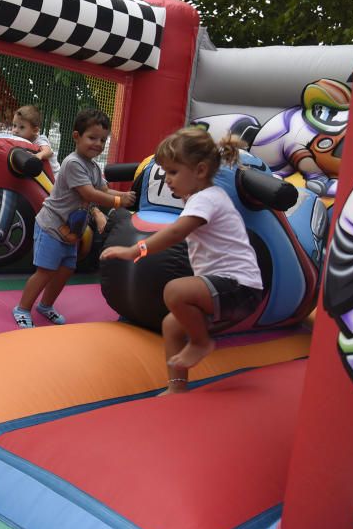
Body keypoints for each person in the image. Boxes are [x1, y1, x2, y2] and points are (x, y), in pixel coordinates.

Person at [100, 127, 264, 394]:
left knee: (175, 290)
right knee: (170, 325)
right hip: (230, 290)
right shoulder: (203, 199)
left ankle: (200, 342)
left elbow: (176, 232)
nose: (167, 180)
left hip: (239, 287)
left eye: (173, 172)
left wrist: (135, 251)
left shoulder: (206, 199)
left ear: (199, 171)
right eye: (164, 172)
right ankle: (177, 385)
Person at [13, 109, 135, 328]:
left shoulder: (94, 167)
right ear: (77, 136)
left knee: (66, 269)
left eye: (102, 140)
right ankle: (22, 308)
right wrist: (118, 202)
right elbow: (88, 194)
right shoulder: (73, 163)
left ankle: (46, 305)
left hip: (71, 231)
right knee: (46, 270)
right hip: (51, 225)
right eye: (92, 137)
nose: (98, 144)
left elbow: (105, 190)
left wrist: (125, 197)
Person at [12, 105, 60, 173]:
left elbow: (49, 152)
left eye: (22, 127)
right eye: (14, 125)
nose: (15, 130)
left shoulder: (40, 140)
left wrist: (39, 155)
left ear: (35, 130)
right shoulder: (22, 140)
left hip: (54, 176)